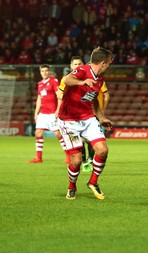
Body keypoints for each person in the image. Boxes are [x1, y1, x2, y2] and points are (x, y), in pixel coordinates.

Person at [57, 47, 113, 200]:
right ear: (102, 63)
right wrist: (82, 81)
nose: (109, 67)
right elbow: (67, 80)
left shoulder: (100, 80)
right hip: (68, 121)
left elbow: (93, 98)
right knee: (76, 160)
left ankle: (93, 182)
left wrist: (101, 117)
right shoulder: (82, 70)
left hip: (87, 118)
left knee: (102, 150)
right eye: (108, 64)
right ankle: (71, 186)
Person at [28, 64, 69, 164]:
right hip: (43, 113)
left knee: (58, 134)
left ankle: (68, 156)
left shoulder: (54, 81)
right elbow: (39, 98)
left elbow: (59, 95)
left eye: (46, 71)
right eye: (42, 71)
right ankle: (38, 157)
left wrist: (58, 110)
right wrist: (36, 113)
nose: (44, 73)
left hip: (52, 113)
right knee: (38, 133)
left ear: (49, 71)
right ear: (40, 72)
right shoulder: (40, 84)